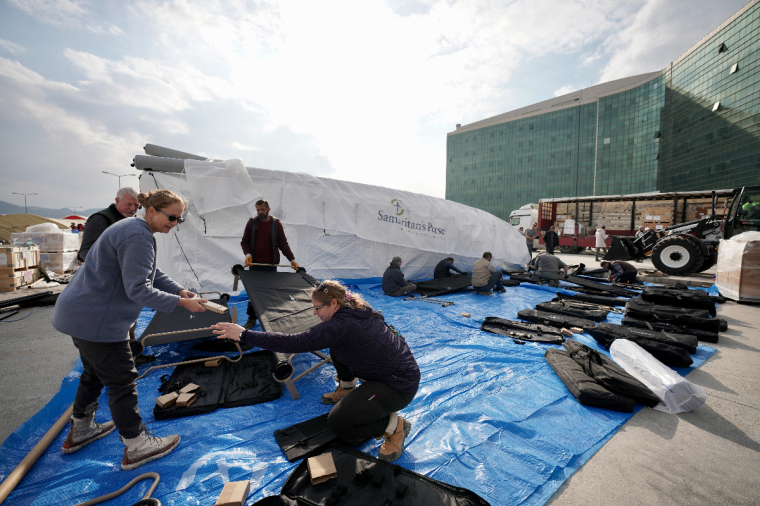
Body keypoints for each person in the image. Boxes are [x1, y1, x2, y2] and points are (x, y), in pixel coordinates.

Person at [52, 189, 208, 470]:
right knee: (122, 381)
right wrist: (182, 304)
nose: (174, 224)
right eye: (172, 217)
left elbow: (152, 272)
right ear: (151, 211)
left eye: (179, 220)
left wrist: (180, 291)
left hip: (80, 315)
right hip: (97, 321)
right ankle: (137, 445)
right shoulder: (138, 235)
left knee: (93, 373)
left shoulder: (134, 228)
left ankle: (81, 428)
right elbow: (138, 289)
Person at [211, 280, 420, 462]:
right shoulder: (359, 309)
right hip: (396, 372)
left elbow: (295, 343)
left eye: (317, 308)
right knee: (337, 348)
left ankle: (394, 425)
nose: (314, 312)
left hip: (396, 387)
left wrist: (245, 335)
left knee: (338, 423)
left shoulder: (340, 326)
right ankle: (348, 387)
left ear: (335, 303)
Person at [240, 199, 299, 329]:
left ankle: (269, 318)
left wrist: (292, 260)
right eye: (258, 210)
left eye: (262, 209)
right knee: (253, 294)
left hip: (271, 266)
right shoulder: (252, 223)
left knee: (269, 293)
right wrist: (248, 255)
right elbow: (244, 241)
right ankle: (251, 318)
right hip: (254, 265)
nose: (260, 212)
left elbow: (283, 244)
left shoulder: (276, 224)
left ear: (268, 209)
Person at [78, 187, 140, 263]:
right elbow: (86, 251)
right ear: (117, 201)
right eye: (129, 204)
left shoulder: (134, 221)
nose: (133, 208)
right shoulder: (100, 219)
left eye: (137, 205)